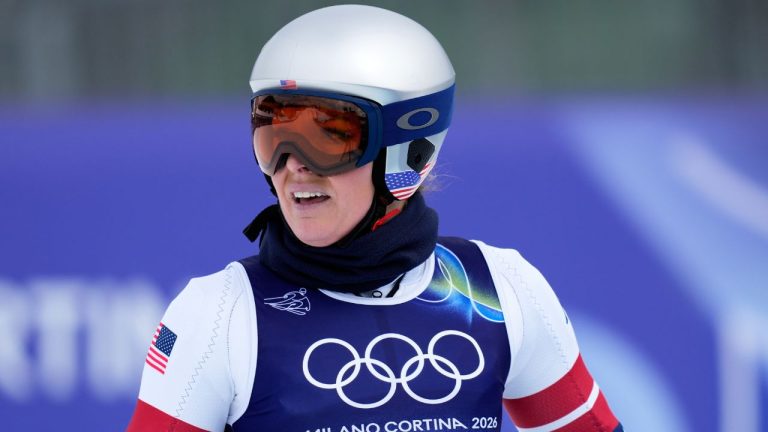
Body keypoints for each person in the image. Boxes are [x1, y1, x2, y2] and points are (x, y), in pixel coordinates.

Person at [126, 5, 623, 432]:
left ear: (407, 153)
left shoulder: (498, 288)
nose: (293, 165)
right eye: (274, 134)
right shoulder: (217, 314)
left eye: (329, 136)